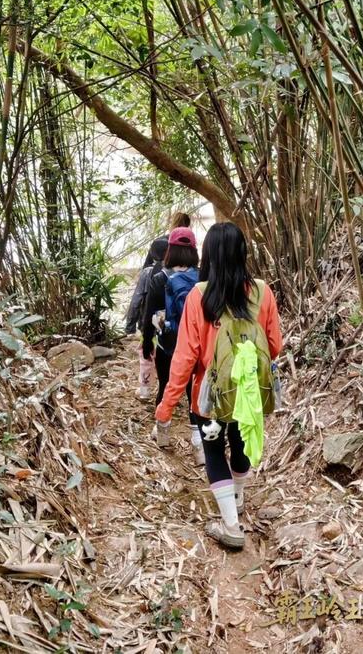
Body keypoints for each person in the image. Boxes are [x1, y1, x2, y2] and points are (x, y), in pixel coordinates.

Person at [154, 223, 282, 550]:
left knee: (214, 450)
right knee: (240, 444)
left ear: (207, 254)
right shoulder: (263, 292)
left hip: (208, 396)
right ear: (243, 253)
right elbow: (275, 346)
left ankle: (230, 524)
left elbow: (184, 358)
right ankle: (237, 499)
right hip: (249, 390)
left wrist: (166, 408)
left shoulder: (199, 296)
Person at [142, 227, 204, 464]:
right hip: (197, 345)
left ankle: (162, 434)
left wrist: (148, 341)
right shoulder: (203, 278)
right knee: (194, 393)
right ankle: (198, 446)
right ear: (193, 250)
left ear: (170, 250)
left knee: (166, 387)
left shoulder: (160, 279)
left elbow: (151, 315)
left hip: (169, 344)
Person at [125, 237, 168, 401]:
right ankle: (168, 392)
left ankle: (144, 390)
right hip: (169, 323)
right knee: (167, 356)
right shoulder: (176, 272)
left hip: (149, 322)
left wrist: (130, 325)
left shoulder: (147, 272)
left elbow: (137, 300)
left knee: (146, 356)